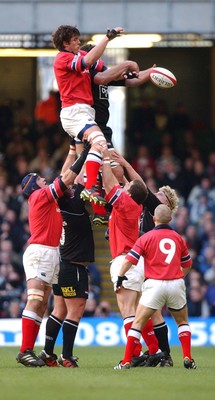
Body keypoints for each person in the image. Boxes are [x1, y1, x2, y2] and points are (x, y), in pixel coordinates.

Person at [16, 144, 89, 367]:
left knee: (42, 303)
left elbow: (63, 176)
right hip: (40, 251)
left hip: (49, 253)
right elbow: (66, 179)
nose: (44, 179)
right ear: (32, 185)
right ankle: (24, 350)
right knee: (36, 300)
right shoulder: (39, 196)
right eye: (38, 178)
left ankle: (31, 350)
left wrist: (71, 150)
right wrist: (85, 153)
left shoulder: (47, 199)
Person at [52, 24, 139, 206]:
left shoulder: (80, 55)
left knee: (99, 150)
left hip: (85, 113)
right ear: (65, 43)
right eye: (75, 39)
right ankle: (89, 187)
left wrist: (126, 73)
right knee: (99, 143)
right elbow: (87, 63)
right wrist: (107, 38)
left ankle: (95, 199)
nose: (78, 42)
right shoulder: (62, 58)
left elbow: (105, 72)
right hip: (74, 112)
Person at [112, 151, 179, 366]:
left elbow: (138, 183)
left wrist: (124, 163)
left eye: (160, 194)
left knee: (150, 311)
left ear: (167, 204)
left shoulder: (153, 209)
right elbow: (133, 186)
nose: (155, 194)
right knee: (149, 310)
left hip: (148, 264)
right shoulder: (146, 208)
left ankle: (156, 353)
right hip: (143, 262)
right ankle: (157, 352)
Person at [80, 42, 157, 225]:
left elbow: (132, 80)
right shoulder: (88, 74)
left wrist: (151, 72)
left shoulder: (103, 72)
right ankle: (103, 207)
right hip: (92, 126)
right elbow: (105, 77)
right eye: (97, 56)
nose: (100, 60)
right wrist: (127, 63)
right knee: (112, 169)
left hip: (103, 127)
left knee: (112, 169)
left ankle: (106, 207)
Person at [114, 204, 196, 370]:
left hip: (154, 284)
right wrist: (179, 275)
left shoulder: (146, 237)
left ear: (154, 219)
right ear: (171, 219)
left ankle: (127, 361)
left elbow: (130, 259)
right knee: (182, 322)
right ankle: (187, 357)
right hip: (176, 283)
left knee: (137, 323)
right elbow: (188, 264)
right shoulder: (178, 238)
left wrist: (120, 276)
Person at [101, 145, 162, 367]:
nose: (123, 185)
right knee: (136, 310)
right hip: (136, 262)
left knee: (128, 312)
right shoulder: (136, 203)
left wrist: (104, 159)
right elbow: (139, 187)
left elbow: (108, 185)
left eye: (126, 186)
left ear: (127, 192)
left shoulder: (126, 203)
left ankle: (134, 354)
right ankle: (154, 350)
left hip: (125, 260)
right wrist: (125, 165)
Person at [38, 149, 95, 368]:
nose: (71, 185)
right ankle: (66, 355)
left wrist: (73, 149)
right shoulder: (74, 205)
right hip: (74, 267)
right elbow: (72, 176)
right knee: (75, 310)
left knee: (59, 310)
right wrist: (84, 152)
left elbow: (68, 177)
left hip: (63, 265)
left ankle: (47, 351)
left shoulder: (62, 206)